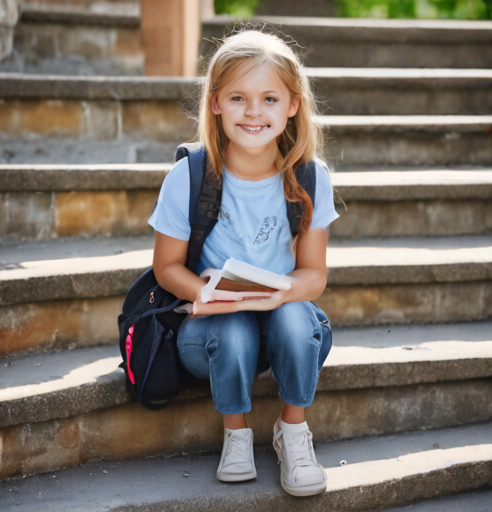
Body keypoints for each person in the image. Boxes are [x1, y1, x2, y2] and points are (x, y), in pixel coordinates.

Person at [149, 28, 339, 497]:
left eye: (270, 98)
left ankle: (292, 431)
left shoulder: (311, 178)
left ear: (292, 105)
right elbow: (166, 267)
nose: (254, 112)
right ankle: (236, 433)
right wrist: (204, 294)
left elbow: (314, 275)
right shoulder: (189, 175)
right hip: (210, 327)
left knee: (298, 319)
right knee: (232, 330)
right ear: (215, 103)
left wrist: (281, 291)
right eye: (238, 97)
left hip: (279, 323)